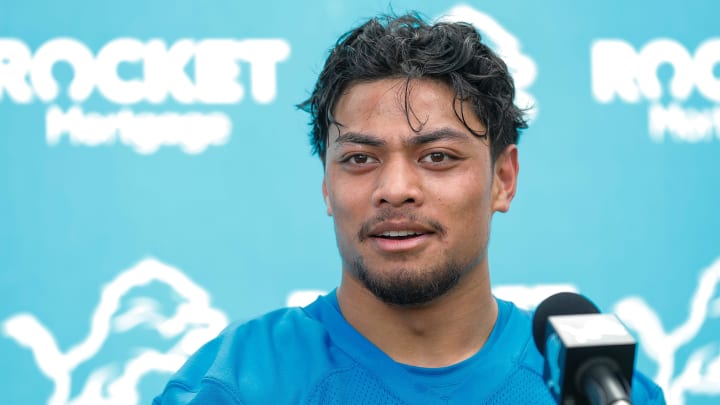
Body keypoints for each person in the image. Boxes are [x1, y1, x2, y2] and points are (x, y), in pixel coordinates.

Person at [155, 12, 665, 404]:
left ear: (503, 180)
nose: (395, 189)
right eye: (359, 158)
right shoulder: (240, 380)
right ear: (327, 186)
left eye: (437, 157)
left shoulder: (598, 386)